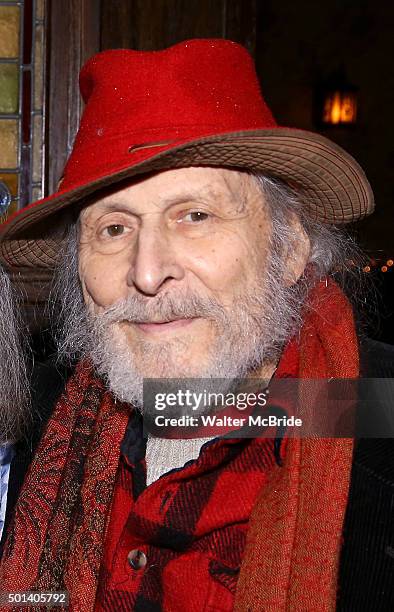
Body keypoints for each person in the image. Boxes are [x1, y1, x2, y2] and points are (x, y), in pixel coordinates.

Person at [0, 39, 393, 611]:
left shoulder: (374, 419)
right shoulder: (29, 429)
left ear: (289, 250)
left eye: (195, 216)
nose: (149, 271)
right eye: (113, 229)